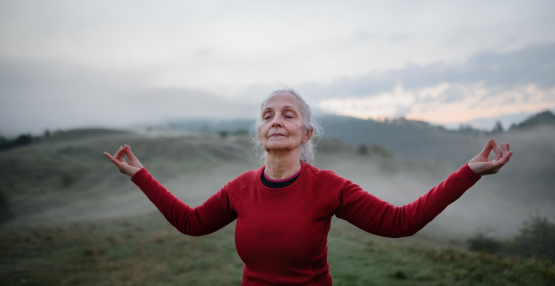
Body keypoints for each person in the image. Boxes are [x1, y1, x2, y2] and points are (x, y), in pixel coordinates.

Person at [104, 89, 512, 286]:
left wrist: (469, 172)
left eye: (288, 114)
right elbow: (190, 223)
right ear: (260, 132)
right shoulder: (239, 189)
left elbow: (400, 222)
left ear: (306, 132)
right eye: (267, 115)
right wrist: (141, 175)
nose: (276, 120)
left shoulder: (328, 187)